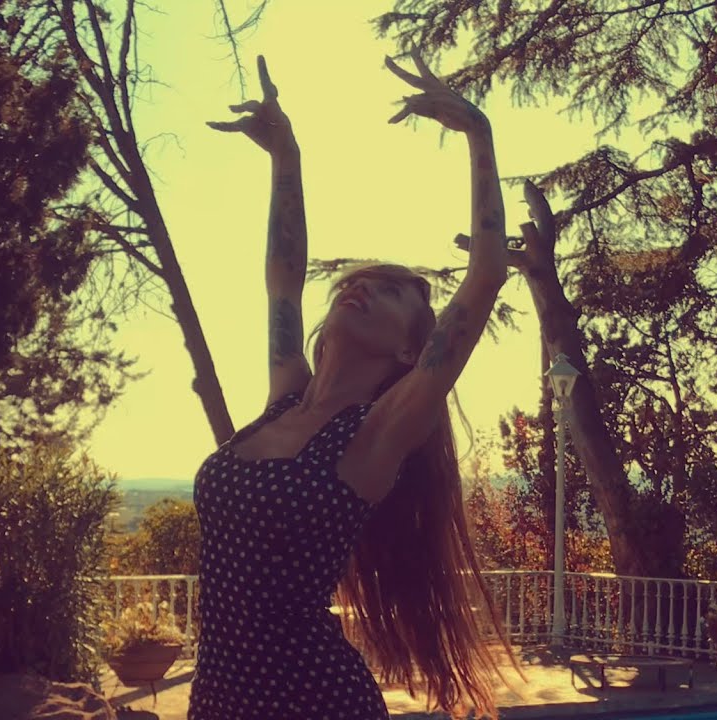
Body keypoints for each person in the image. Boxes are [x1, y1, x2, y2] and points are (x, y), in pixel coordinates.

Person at [190, 52, 523, 720]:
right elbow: (282, 278)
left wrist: (478, 134)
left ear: (411, 349)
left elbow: (484, 278)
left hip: (313, 700)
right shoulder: (285, 399)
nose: (363, 288)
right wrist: (286, 158)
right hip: (218, 696)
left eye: (390, 292)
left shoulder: (376, 434)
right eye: (359, 283)